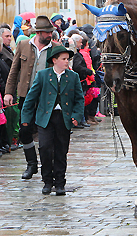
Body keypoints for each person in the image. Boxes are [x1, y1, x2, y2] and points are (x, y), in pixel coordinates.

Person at [21, 45, 84, 195]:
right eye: (63, 59)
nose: (66, 62)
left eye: (67, 59)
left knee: (61, 151)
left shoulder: (73, 77)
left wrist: (76, 116)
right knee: (45, 148)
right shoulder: (43, 75)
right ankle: (47, 181)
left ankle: (60, 183)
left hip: (64, 117)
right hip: (45, 118)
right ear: (54, 60)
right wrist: (25, 119)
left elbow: (79, 99)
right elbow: (31, 98)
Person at [5, 15, 62, 180]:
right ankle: (31, 163)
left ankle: (48, 166)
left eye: (51, 32)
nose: (50, 35)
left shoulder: (55, 48)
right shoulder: (23, 45)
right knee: (24, 130)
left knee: (47, 133)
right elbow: (14, 71)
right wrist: (9, 92)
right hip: (26, 96)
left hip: (47, 99)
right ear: (38, 32)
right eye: (47, 33)